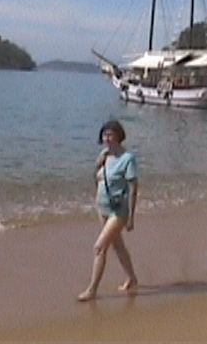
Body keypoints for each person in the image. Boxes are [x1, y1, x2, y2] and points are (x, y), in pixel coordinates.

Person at [77, 119, 139, 301]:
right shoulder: (104, 155)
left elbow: (133, 188)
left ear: (119, 136)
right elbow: (96, 179)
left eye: (110, 135)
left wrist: (131, 217)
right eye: (104, 135)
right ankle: (132, 278)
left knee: (99, 247)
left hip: (118, 211)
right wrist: (97, 166)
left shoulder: (127, 159)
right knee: (117, 246)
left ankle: (92, 290)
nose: (107, 138)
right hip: (102, 207)